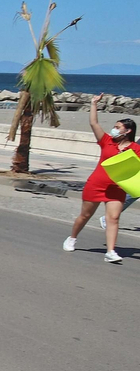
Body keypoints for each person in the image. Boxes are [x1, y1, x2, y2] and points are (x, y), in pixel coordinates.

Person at [63, 99, 135, 263]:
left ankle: (110, 252)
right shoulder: (106, 140)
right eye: (114, 127)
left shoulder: (135, 149)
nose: (114, 129)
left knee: (113, 218)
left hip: (117, 188)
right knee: (85, 215)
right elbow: (94, 123)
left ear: (128, 131)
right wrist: (94, 104)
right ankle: (72, 237)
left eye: (118, 127)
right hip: (96, 185)